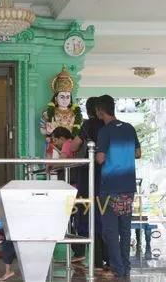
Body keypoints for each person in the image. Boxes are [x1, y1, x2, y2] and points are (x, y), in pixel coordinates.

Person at [95, 95, 141, 278]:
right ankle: (126, 266)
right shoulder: (129, 128)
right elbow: (138, 153)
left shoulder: (104, 132)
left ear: (100, 111)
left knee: (110, 231)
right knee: (125, 229)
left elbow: (100, 158)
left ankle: (117, 268)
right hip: (128, 187)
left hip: (109, 188)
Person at [69, 97, 108, 271]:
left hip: (88, 174)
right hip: (107, 173)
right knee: (104, 215)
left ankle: (93, 258)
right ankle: (108, 258)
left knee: (87, 213)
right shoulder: (109, 125)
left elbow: (74, 146)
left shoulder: (88, 125)